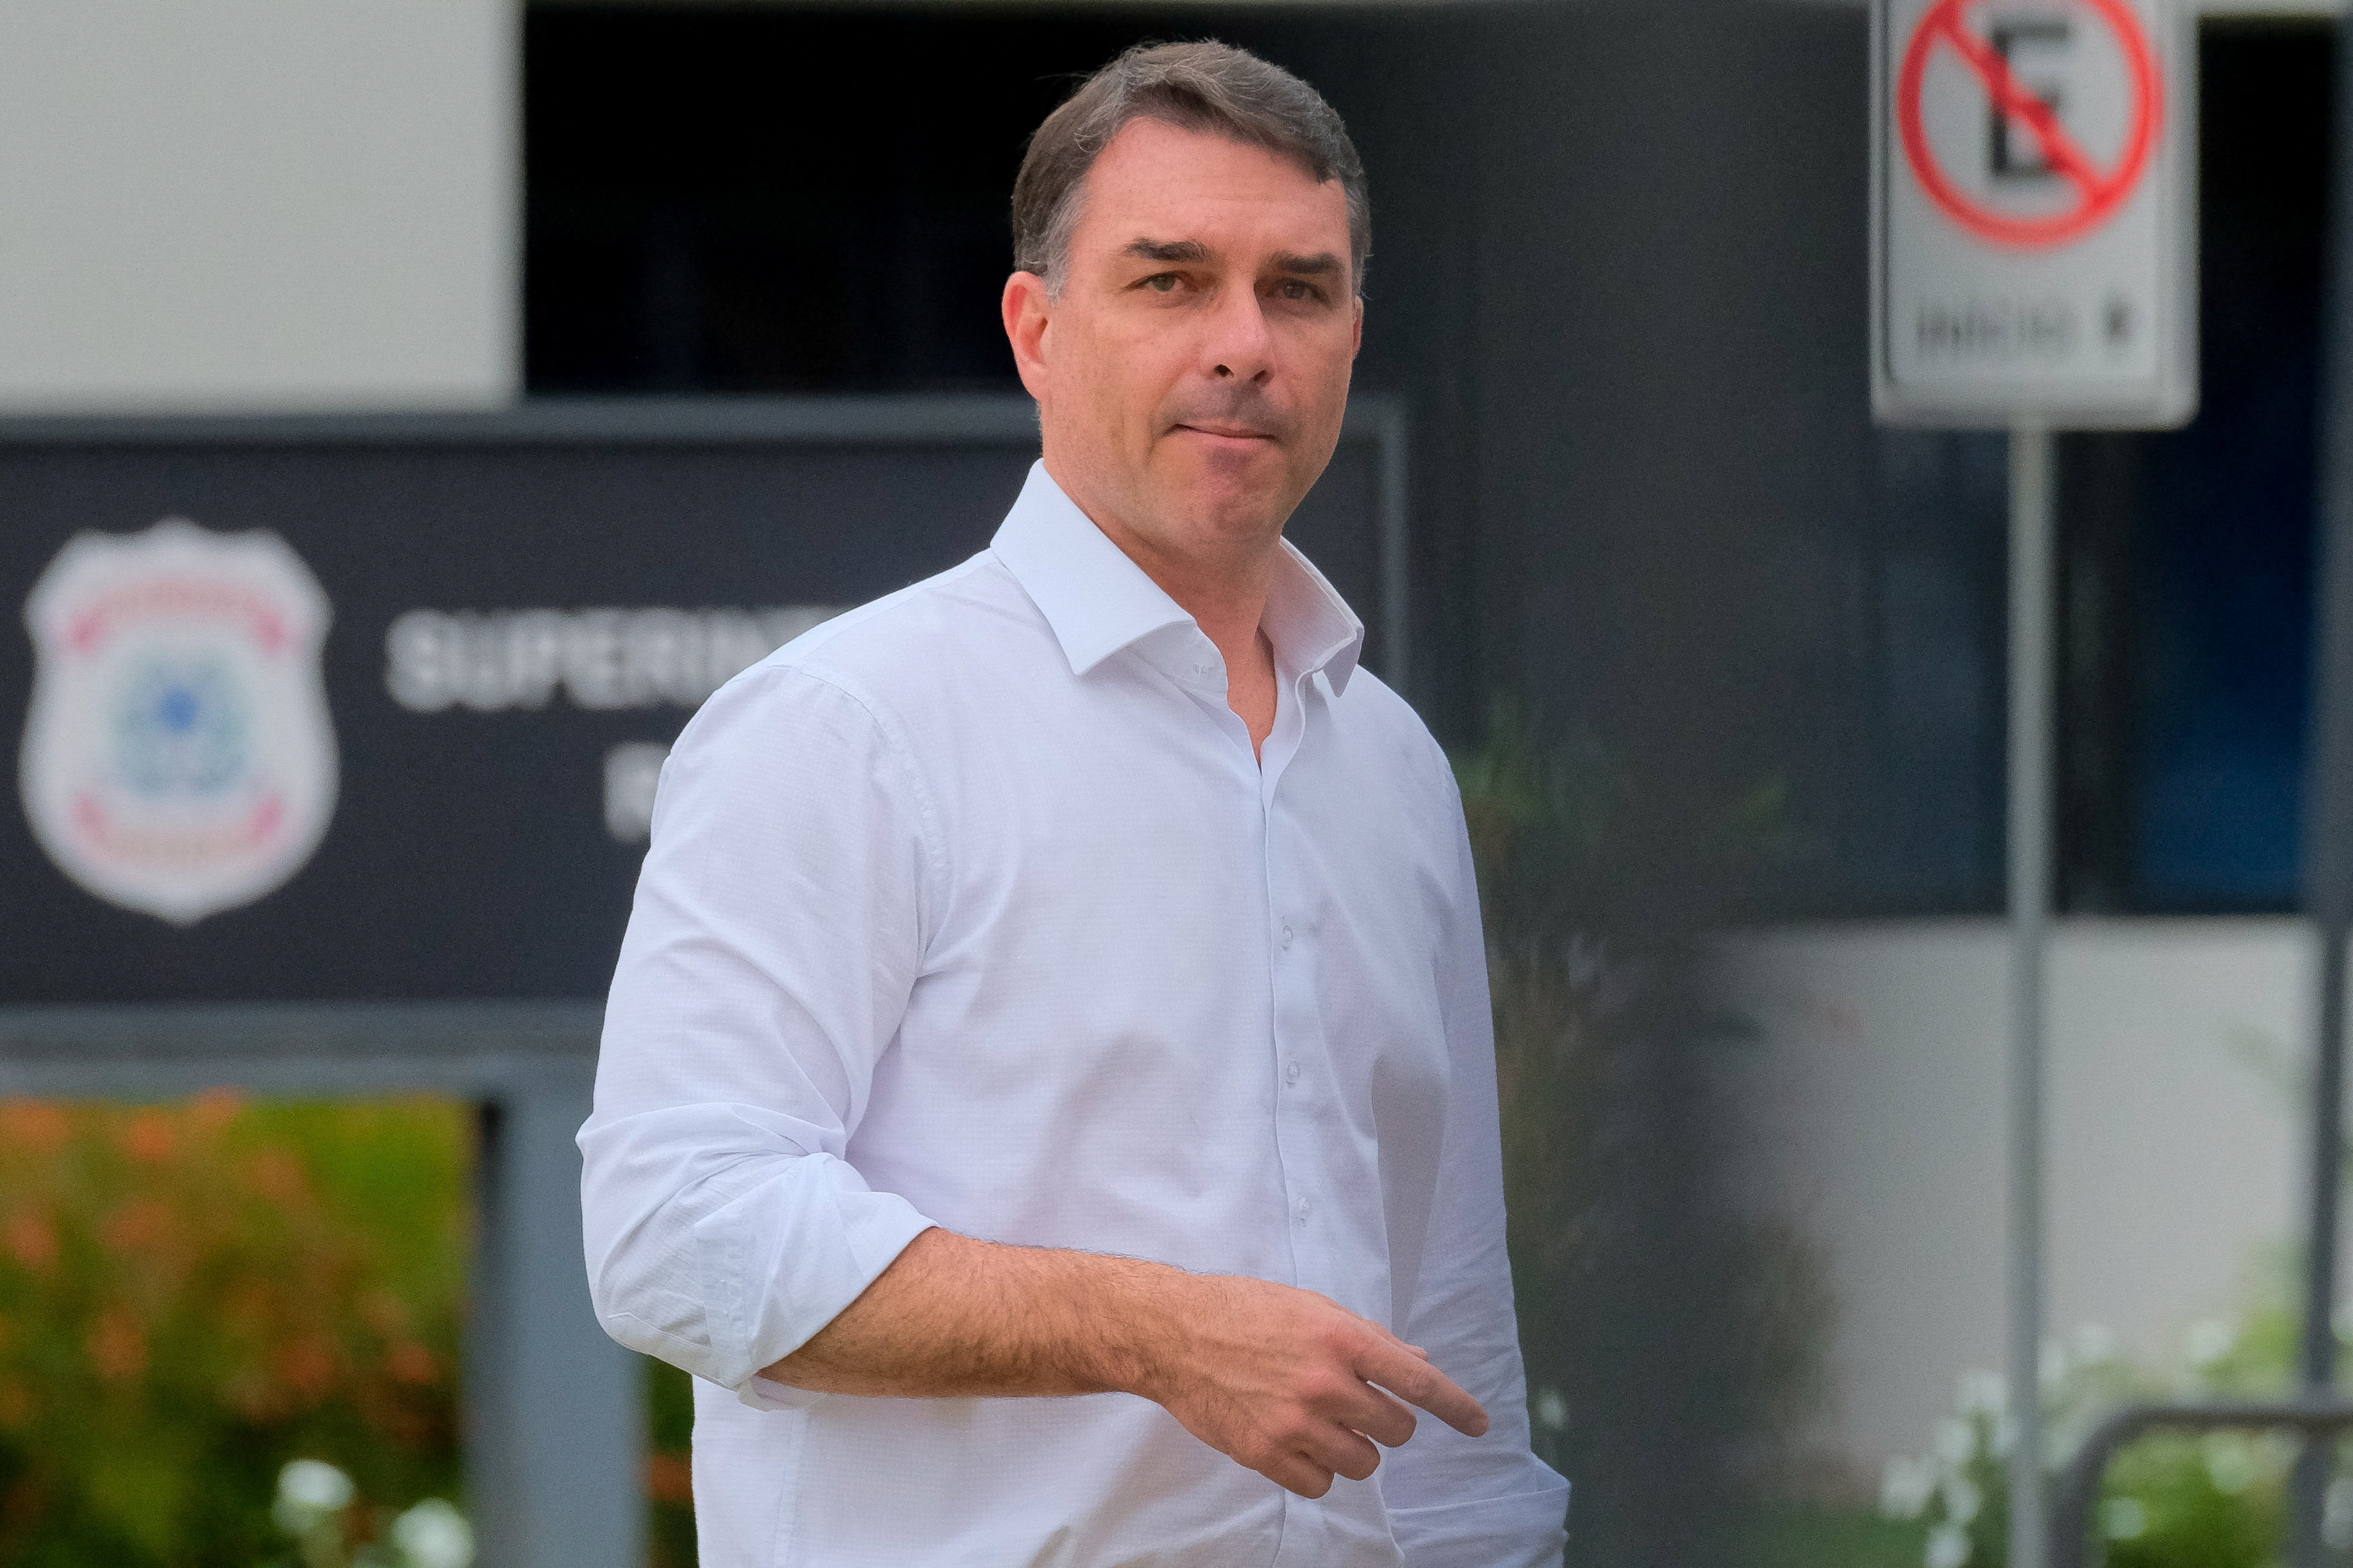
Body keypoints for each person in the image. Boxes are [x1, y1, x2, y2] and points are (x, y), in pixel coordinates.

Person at [579, 39, 1569, 1567]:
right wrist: (1152, 1329)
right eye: (1169, 280)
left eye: (1296, 289)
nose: (1243, 342)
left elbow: (1447, 1347)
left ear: (1352, 337)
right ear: (1036, 330)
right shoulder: (848, 728)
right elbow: (673, 1231)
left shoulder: (1390, 769)